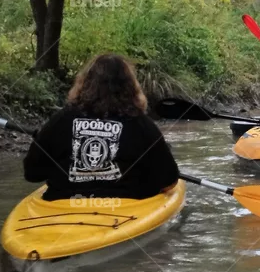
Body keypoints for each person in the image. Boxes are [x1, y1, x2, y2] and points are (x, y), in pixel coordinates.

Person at [23, 53, 179, 201]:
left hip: (63, 205)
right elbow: (169, 181)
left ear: (84, 83)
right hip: (126, 208)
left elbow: (32, 174)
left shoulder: (60, 120)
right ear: (130, 87)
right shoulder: (141, 124)